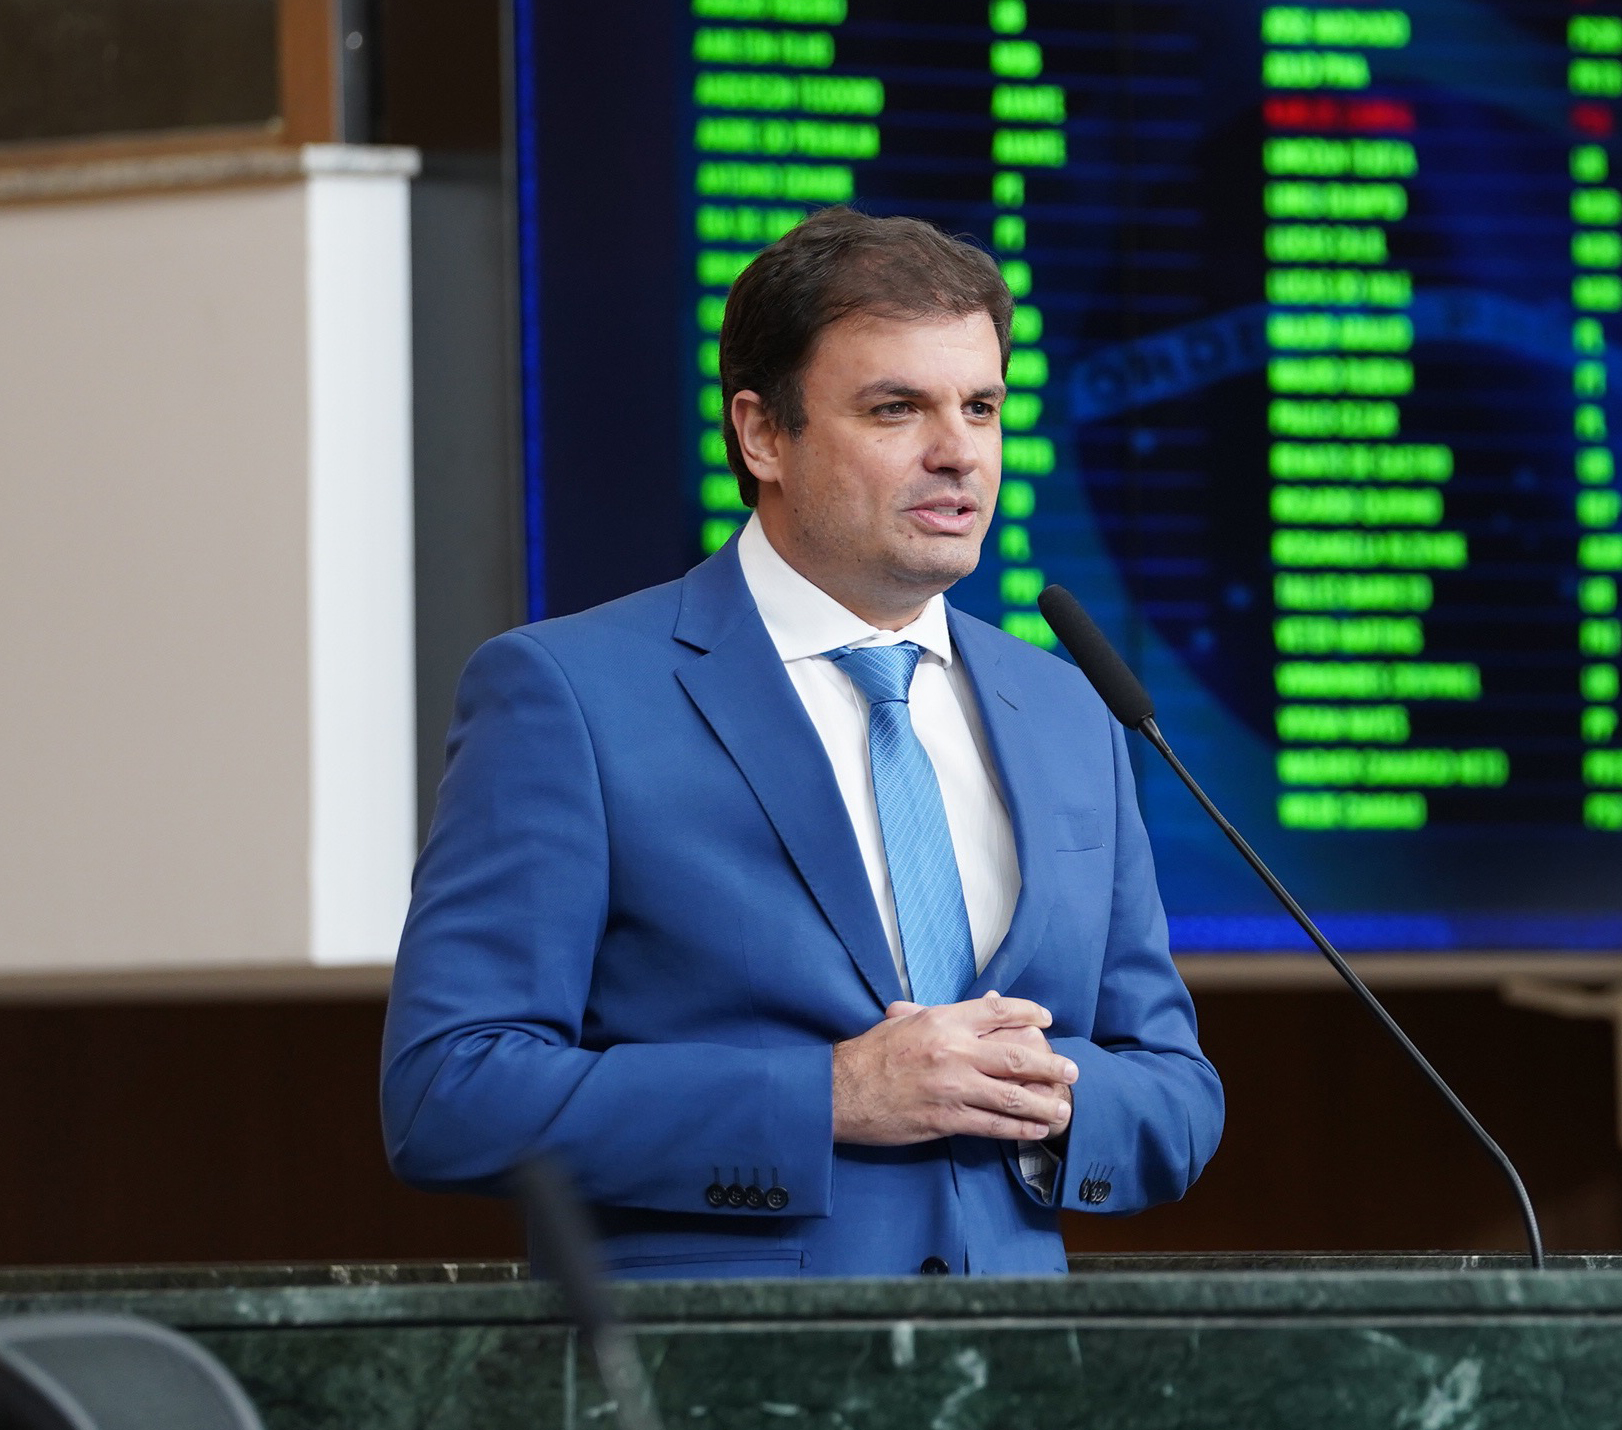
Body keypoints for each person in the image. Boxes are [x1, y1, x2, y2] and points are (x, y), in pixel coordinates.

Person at [380, 206, 1223, 1279]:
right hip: (722, 1379)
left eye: (980, 406)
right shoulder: (565, 696)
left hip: (1012, 1374)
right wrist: (828, 1097)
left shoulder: (1065, 712)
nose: (957, 451)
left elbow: (1176, 1091)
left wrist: (1055, 1094)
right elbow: (448, 1091)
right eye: (894, 408)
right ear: (762, 434)